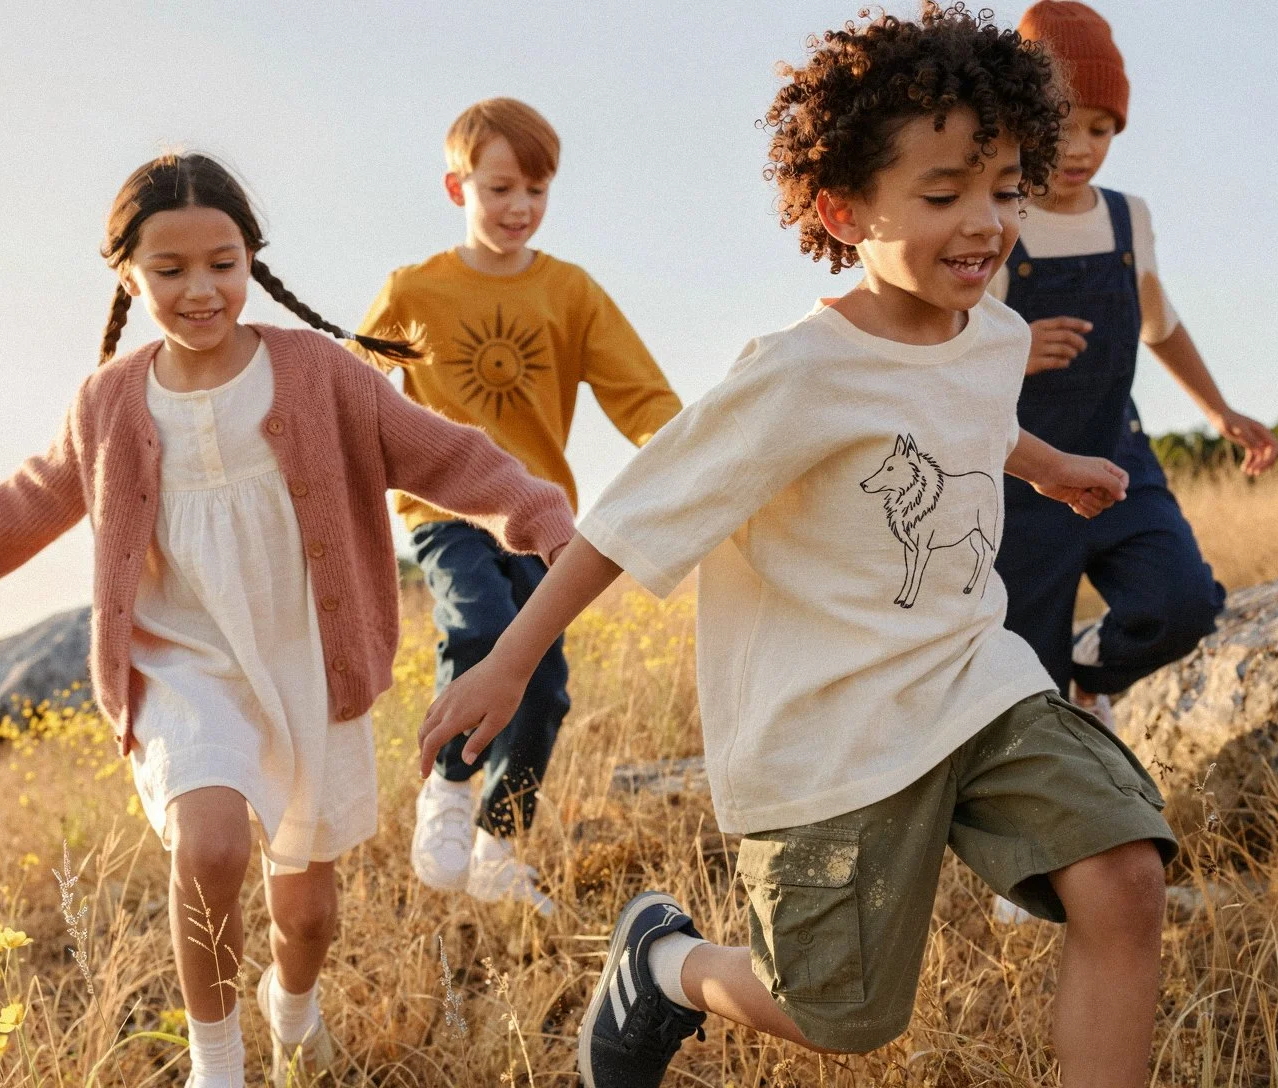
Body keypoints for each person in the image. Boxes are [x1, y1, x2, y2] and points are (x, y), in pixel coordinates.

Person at [417, 8, 1175, 1087]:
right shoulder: (796, 375)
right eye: (945, 192)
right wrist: (509, 657)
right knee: (841, 1014)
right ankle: (664, 962)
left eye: (1007, 186)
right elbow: (631, 515)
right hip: (833, 728)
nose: (986, 222)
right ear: (842, 207)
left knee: (1125, 874)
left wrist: (1047, 465)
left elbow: (967, 419)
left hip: (976, 681)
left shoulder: (995, 332)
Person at [0, 153, 575, 1088]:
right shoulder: (109, 403)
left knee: (308, 915)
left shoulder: (318, 373)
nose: (201, 289)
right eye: (170, 271)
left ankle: (294, 1012)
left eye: (223, 262)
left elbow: (447, 456)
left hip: (307, 660)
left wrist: (545, 524)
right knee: (208, 843)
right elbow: (37, 499)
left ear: (253, 257)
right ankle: (219, 1064)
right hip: (181, 664)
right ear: (127, 273)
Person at [356, 97, 682, 913]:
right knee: (480, 627)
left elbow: (642, 398)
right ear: (455, 186)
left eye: (536, 191)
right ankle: (450, 792)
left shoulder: (570, 293)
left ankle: (499, 845)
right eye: (501, 188)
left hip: (540, 518)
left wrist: (703, 468)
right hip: (445, 515)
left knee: (544, 684)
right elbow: (350, 397)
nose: (519, 208)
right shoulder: (412, 290)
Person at [994, 0, 1278, 730]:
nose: (1081, 146)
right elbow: (945, 350)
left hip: (1120, 460)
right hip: (1020, 482)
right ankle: (1058, 738)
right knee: (1022, 668)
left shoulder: (1129, 218)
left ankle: (1090, 686)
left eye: (1100, 128)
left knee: (1181, 602)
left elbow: (1161, 322)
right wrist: (1014, 351)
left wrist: (1218, 410)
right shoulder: (996, 219)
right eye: (1060, 123)